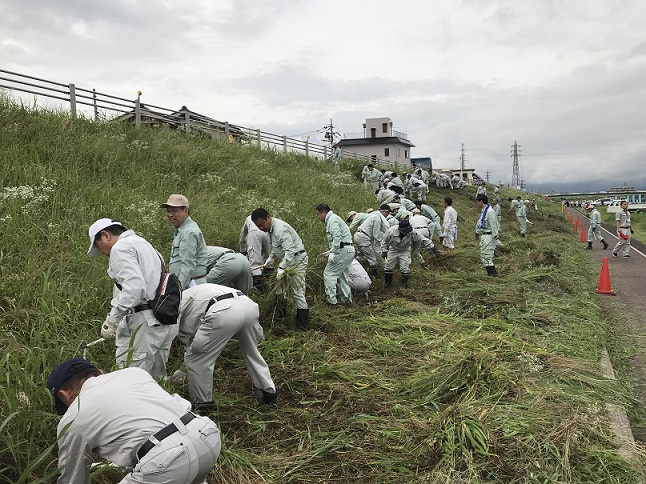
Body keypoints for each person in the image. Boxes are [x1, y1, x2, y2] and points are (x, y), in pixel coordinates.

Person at [47, 358, 220, 484]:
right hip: (206, 435)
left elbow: (73, 479)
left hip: (167, 458)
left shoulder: (73, 417)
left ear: (65, 395)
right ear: (100, 372)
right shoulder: (134, 372)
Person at [87, 218, 178, 378]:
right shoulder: (145, 245)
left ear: (106, 235)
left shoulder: (120, 248)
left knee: (131, 378)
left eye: (97, 246)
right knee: (156, 379)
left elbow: (134, 288)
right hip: (162, 320)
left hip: (144, 322)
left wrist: (112, 319)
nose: (101, 252)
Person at [177, 284, 278, 412]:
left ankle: (203, 406)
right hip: (248, 305)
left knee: (197, 360)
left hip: (223, 312)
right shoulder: (194, 291)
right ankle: (269, 393)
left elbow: (188, 342)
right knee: (251, 351)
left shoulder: (175, 301)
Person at [251, 207, 309, 330]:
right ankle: (280, 319)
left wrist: (282, 267)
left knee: (297, 291)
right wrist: (270, 258)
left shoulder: (280, 229)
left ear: (268, 217)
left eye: (262, 224)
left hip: (298, 259)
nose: (261, 228)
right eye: (258, 226)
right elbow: (277, 247)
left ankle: (302, 327)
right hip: (288, 259)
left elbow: (290, 250)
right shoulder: (271, 229)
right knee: (280, 290)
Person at [161, 194, 208, 289]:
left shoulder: (188, 232)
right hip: (190, 283)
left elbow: (188, 266)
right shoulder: (182, 230)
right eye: (168, 211)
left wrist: (178, 290)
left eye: (174, 211)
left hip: (191, 284)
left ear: (185, 211)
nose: (170, 215)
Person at [316, 203, 355, 306]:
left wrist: (333, 252)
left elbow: (337, 236)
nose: (318, 217)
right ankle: (347, 300)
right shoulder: (334, 218)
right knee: (343, 275)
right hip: (348, 249)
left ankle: (331, 301)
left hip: (343, 249)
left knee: (329, 274)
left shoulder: (332, 219)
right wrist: (331, 250)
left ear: (323, 212)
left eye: (318, 214)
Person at [381, 219, 434, 288]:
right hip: (393, 250)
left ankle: (404, 286)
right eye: (405, 231)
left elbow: (422, 238)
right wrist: (384, 250)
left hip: (405, 250)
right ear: (400, 229)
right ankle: (387, 285)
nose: (407, 233)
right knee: (388, 267)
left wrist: (432, 247)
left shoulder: (412, 232)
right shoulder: (391, 231)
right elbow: (384, 241)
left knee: (405, 267)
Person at [354, 204, 390, 277]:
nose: (387, 215)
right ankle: (374, 275)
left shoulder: (374, 216)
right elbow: (376, 234)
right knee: (372, 258)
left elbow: (384, 229)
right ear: (384, 212)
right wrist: (381, 245)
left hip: (358, 236)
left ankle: (354, 269)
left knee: (361, 257)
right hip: (363, 238)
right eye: (387, 212)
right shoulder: (377, 218)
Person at [239, 214, 273, 292]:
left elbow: (243, 235)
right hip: (267, 232)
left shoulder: (248, 218)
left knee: (254, 259)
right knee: (269, 256)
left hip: (254, 233)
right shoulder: (267, 220)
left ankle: (258, 283)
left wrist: (242, 249)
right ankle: (268, 275)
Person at [474, 194, 500, 276]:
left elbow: (494, 225)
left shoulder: (490, 211)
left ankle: (494, 276)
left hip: (489, 236)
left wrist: (495, 237)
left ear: (481, 201)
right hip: (484, 236)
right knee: (483, 257)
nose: (476, 203)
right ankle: (491, 275)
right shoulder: (484, 211)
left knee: (487, 257)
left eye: (477, 201)